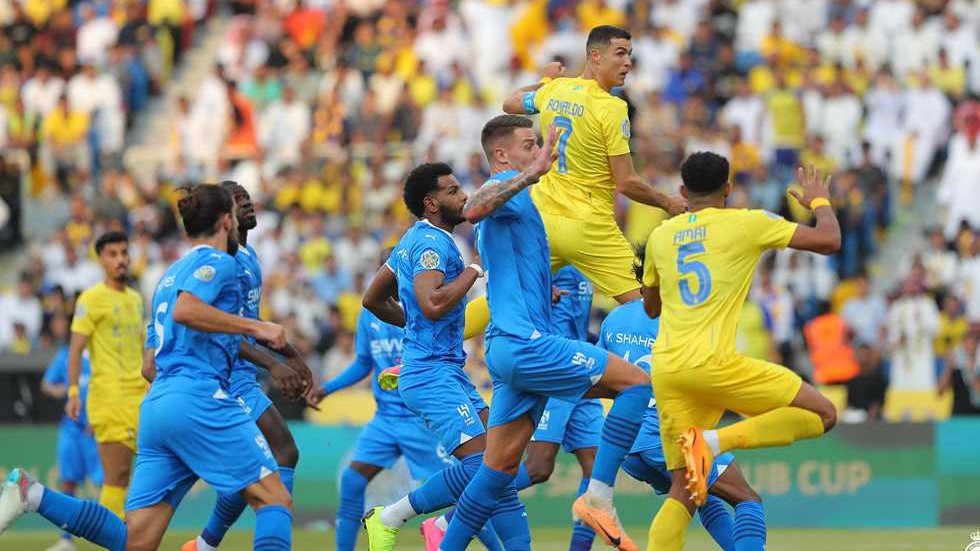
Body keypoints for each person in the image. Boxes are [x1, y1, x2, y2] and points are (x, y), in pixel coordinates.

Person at [0, 184, 293, 550]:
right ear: (225, 220)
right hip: (199, 395)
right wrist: (257, 327)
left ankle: (32, 494)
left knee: (135, 540)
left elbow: (149, 364)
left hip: (158, 406)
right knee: (274, 498)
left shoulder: (168, 277)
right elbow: (187, 310)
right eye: (234, 216)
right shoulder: (221, 262)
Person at [439, 115, 653, 551]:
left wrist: (543, 288)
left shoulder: (521, 200)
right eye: (529, 145)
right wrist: (531, 172)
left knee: (497, 471)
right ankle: (598, 498)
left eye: (538, 145)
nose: (539, 152)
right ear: (501, 154)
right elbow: (473, 208)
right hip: (526, 345)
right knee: (636, 383)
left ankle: (444, 536)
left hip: (508, 349)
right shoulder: (505, 186)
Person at [642, 154, 840, 551]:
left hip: (667, 370)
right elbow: (828, 241)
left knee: (685, 488)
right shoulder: (747, 222)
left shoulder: (660, 236)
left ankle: (707, 446)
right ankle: (715, 442)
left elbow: (651, 307)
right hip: (714, 364)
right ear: (728, 190)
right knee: (824, 414)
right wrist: (819, 201)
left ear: (682, 191)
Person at [361, 163, 503, 551]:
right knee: (483, 466)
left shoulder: (413, 239)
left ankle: (443, 528)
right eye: (453, 190)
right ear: (431, 203)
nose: (463, 196)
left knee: (500, 463)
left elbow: (373, 298)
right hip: (431, 374)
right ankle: (391, 517)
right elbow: (433, 303)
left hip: (443, 369)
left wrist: (415, 329)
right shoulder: (432, 244)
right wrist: (475, 268)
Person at [501, 25, 685, 306]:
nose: (628, 62)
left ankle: (437, 332)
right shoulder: (612, 108)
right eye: (620, 53)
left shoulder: (556, 89)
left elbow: (510, 103)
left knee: (505, 299)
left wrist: (545, 80)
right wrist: (667, 202)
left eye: (629, 54)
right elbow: (626, 183)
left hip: (544, 219)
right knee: (650, 307)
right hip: (588, 227)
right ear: (595, 56)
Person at [182, 181, 315, 551]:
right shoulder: (222, 264)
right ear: (225, 216)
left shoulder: (248, 257)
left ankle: (203, 545)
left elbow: (250, 324)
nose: (247, 203)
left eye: (247, 196)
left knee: (256, 465)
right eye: (237, 200)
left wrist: (292, 356)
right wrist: (274, 364)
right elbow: (222, 329)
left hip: (239, 373)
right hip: (223, 376)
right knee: (283, 450)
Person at [609, 250, 765, 551]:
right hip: (668, 436)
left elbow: (606, 373)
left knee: (702, 499)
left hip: (628, 445)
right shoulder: (683, 321)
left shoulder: (615, 318)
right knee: (747, 499)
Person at [312, 250, 460, 551]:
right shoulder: (369, 314)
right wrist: (327, 388)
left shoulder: (424, 308)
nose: (387, 277)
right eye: (384, 271)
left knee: (461, 488)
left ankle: (467, 537)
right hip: (385, 419)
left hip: (420, 419)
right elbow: (363, 363)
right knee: (353, 481)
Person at [65, 231, 146, 519]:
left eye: (124, 252)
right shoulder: (91, 298)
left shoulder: (136, 298)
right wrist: (73, 392)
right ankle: (110, 536)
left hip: (141, 396)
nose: (120, 259)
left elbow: (141, 348)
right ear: (100, 260)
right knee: (117, 476)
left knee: (151, 471)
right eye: (113, 254)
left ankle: (131, 533)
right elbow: (75, 349)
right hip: (109, 397)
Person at [40, 314, 103, 551]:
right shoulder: (66, 354)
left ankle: (113, 533)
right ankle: (66, 539)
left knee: (106, 484)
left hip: (97, 429)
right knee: (69, 481)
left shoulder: (101, 354)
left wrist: (100, 416)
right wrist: (61, 392)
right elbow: (47, 384)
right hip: (72, 428)